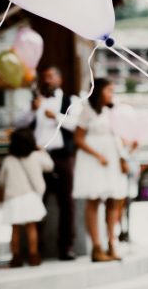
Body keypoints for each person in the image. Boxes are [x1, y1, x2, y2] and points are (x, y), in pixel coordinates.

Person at [16, 66, 79, 260]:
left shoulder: (71, 101)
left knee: (66, 203)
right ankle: (37, 248)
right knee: (37, 201)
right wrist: (33, 112)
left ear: (59, 79)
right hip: (38, 156)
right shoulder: (34, 102)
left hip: (61, 155)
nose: (47, 81)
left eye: (51, 77)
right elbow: (18, 124)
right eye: (44, 78)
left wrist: (57, 116)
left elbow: (76, 124)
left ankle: (66, 247)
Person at [72, 78, 128, 263]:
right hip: (93, 159)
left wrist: (124, 155)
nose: (111, 94)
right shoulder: (87, 110)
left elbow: (119, 136)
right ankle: (97, 246)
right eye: (108, 90)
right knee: (94, 200)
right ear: (99, 92)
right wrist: (97, 155)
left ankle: (112, 242)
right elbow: (78, 139)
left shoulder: (113, 111)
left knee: (114, 199)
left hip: (111, 156)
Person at [0, 128, 53, 267]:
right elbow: (50, 166)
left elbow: (0, 180)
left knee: (15, 228)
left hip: (13, 198)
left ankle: (16, 257)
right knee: (31, 227)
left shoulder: (8, 160)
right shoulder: (36, 156)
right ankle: (34, 255)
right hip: (31, 197)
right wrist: (42, 151)